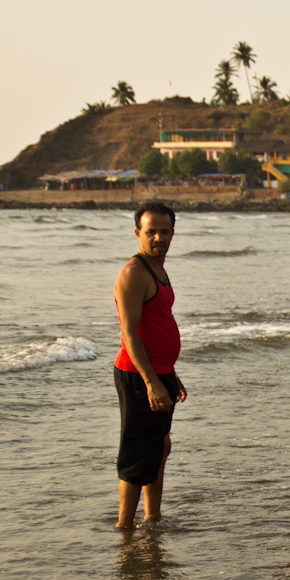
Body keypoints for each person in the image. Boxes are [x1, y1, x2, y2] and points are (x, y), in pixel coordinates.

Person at [113, 201, 187, 529]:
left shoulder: (159, 267)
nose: (158, 237)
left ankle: (152, 518)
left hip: (161, 372)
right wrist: (151, 381)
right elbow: (129, 334)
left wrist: (170, 374)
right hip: (138, 375)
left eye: (164, 231)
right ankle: (125, 529)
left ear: (173, 233)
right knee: (138, 455)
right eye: (151, 231)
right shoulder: (134, 273)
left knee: (160, 447)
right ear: (137, 233)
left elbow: (156, 323)